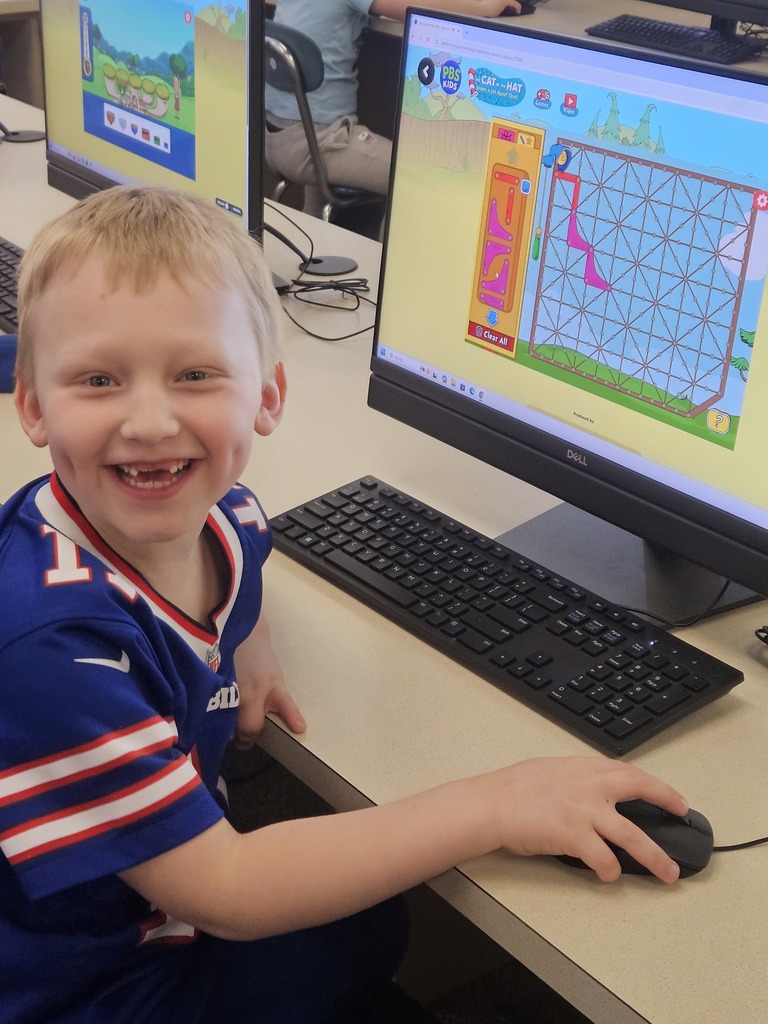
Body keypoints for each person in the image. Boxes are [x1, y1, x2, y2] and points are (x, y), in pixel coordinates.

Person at [1, 185, 689, 1024]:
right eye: (99, 380)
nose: (150, 421)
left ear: (268, 396)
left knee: (367, 926)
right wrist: (494, 803)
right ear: (34, 405)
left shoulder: (220, 519)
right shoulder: (49, 645)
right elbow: (229, 891)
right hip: (80, 987)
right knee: (363, 926)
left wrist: (242, 642)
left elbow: (245, 554)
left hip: (141, 905)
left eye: (196, 374)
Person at [265, 0, 522, 217]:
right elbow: (416, 8)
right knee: (418, 180)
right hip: (318, 140)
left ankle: (313, 252)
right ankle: (389, 274)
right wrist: (486, 6)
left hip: (279, 134)